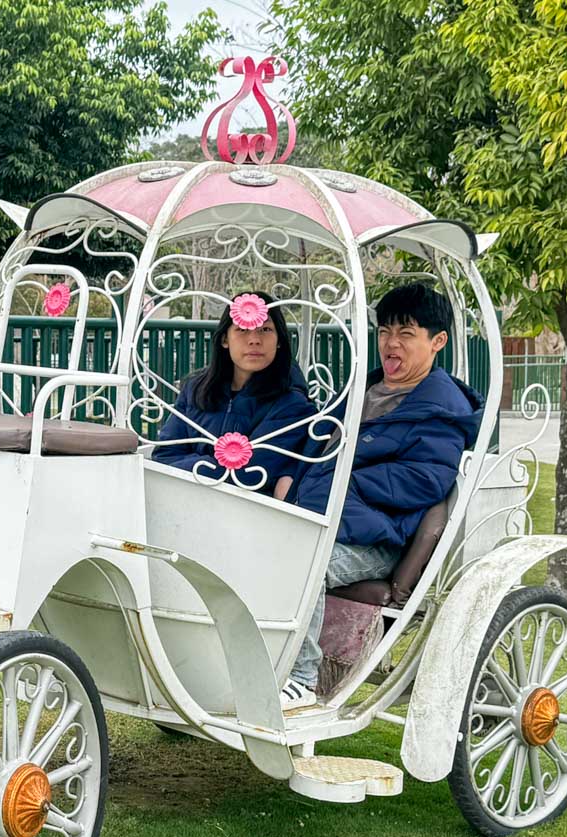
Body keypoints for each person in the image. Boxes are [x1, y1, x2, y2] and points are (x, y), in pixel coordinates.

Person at [284, 283, 483, 709]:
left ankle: (301, 679)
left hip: (377, 538)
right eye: (384, 331)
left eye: (407, 333)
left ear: (438, 342)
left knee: (301, 566)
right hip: (323, 519)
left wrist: (345, 486)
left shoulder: (440, 408)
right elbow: (318, 450)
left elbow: (426, 479)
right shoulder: (362, 392)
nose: (391, 343)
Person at [152, 291, 316, 498]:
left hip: (248, 515)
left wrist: (193, 464)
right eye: (242, 329)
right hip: (184, 502)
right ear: (224, 339)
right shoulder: (195, 389)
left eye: (266, 329)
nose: (254, 339)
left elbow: (250, 475)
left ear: (279, 341)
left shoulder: (292, 403)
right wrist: (212, 466)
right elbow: (164, 455)